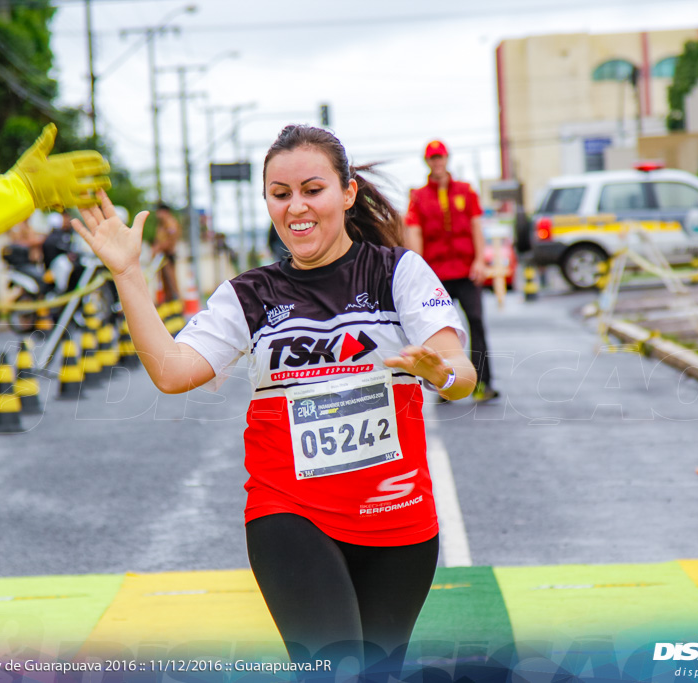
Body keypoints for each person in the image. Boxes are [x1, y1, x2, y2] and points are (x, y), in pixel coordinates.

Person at [71, 125, 478, 679]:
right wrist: (127, 273)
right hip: (290, 511)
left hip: (397, 517)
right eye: (280, 194)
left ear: (348, 192)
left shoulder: (396, 272)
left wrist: (442, 373)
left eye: (313, 190)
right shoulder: (250, 294)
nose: (297, 208)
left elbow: (462, 375)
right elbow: (172, 372)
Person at [404, 139, 499, 402]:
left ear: (447, 159)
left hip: (467, 271)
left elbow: (477, 226)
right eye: (433, 158)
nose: (437, 162)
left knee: (477, 324)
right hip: (437, 276)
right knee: (439, 330)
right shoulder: (419, 197)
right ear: (427, 162)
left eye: (441, 157)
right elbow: (415, 232)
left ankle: (482, 384)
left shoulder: (466, 191)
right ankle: (446, 384)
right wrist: (418, 270)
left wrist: (480, 260)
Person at [151, 202, 182, 303]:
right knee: (164, 283)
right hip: (162, 257)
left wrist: (159, 247)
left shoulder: (170, 223)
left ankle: (176, 304)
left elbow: (170, 240)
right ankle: (169, 304)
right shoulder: (161, 224)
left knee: (171, 282)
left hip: (167, 256)